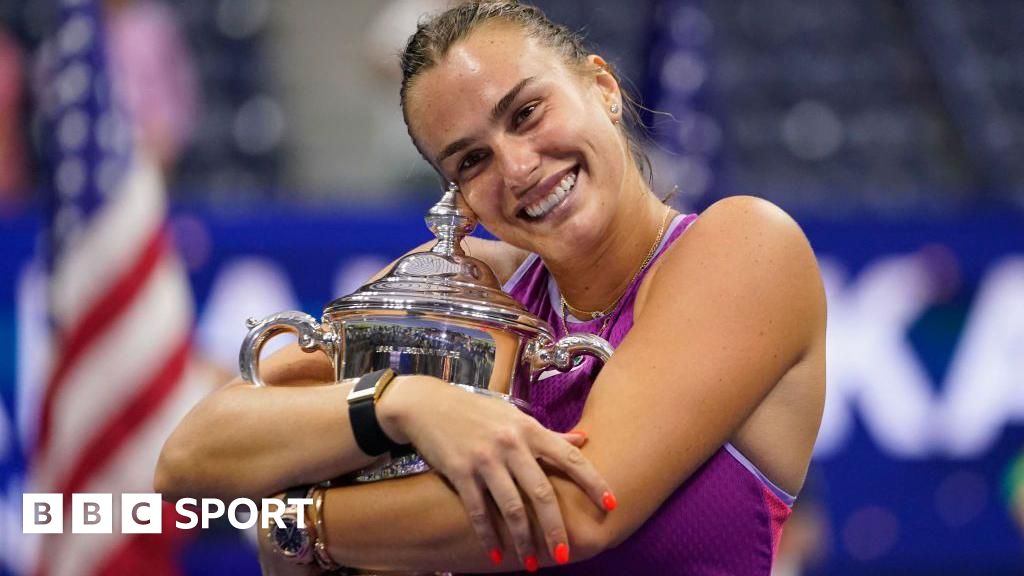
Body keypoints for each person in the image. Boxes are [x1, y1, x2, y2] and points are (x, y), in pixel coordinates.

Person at [156, 2, 826, 574]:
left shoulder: (745, 245)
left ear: (603, 87)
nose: (518, 167)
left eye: (527, 112)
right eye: (471, 160)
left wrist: (298, 526)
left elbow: (577, 512)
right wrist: (402, 401)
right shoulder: (473, 288)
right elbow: (190, 454)